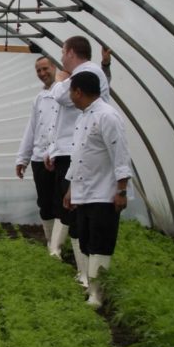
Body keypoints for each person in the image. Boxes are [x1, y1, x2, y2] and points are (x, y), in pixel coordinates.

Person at [44, 36, 110, 286]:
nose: (61, 59)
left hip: (79, 152)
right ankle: (82, 271)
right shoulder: (88, 72)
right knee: (72, 210)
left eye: (62, 52)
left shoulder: (86, 72)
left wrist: (60, 79)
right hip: (69, 149)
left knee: (76, 212)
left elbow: (60, 97)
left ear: (71, 52)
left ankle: (86, 275)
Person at [62, 71, 131, 307]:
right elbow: (79, 156)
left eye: (71, 91)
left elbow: (120, 155)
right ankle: (92, 289)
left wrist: (121, 191)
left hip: (104, 193)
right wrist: (71, 189)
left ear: (78, 92)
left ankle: (97, 295)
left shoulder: (107, 116)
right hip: (85, 193)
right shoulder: (83, 117)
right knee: (87, 241)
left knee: (101, 242)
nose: (70, 96)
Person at [15, 56, 62, 255]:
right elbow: (31, 129)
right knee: (44, 202)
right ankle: (51, 242)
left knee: (61, 202)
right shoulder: (39, 98)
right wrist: (22, 158)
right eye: (38, 71)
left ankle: (57, 246)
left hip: (59, 158)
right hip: (38, 158)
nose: (42, 74)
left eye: (45, 69)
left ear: (54, 67)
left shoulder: (66, 93)